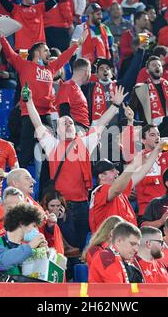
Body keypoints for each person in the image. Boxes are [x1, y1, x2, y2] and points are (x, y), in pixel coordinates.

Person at [25, 83, 127, 251]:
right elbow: (37, 123)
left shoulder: (85, 143)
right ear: (57, 130)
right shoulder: (52, 145)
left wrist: (115, 105)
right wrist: (28, 102)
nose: (69, 125)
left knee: (80, 245)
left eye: (71, 123)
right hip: (61, 205)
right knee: (63, 246)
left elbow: (101, 123)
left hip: (82, 205)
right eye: (64, 123)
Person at [0, 28, 84, 169]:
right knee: (26, 153)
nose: (49, 54)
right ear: (37, 53)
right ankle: (20, 180)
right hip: (29, 114)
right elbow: (10, 54)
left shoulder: (50, 68)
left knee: (50, 152)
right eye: (46, 51)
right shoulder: (24, 65)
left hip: (46, 114)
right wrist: (2, 37)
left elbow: (63, 58)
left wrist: (76, 45)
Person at [89, 143, 165, 233]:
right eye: (112, 170)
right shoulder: (100, 190)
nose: (117, 172)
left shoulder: (120, 189)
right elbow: (116, 190)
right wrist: (133, 165)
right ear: (101, 176)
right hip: (109, 243)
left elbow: (142, 172)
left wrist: (156, 150)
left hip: (123, 240)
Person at [133, 105, 168, 217]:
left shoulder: (166, 157)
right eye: (152, 135)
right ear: (143, 140)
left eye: (158, 135)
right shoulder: (138, 159)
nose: (157, 138)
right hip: (147, 210)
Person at [0, 203, 47, 282]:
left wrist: (45, 255)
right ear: (22, 223)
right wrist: (30, 247)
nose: (36, 231)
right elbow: (1, 261)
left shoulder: (27, 249)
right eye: (34, 226)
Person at [129, 56, 168, 126]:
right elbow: (131, 111)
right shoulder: (139, 89)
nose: (157, 67)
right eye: (154, 65)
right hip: (150, 130)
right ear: (147, 71)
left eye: (159, 65)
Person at [56, 58, 91, 133]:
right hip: (78, 129)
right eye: (90, 71)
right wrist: (77, 132)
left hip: (82, 129)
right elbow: (64, 111)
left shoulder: (76, 88)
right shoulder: (68, 86)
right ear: (86, 72)